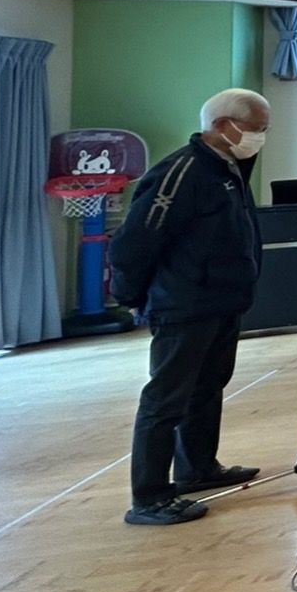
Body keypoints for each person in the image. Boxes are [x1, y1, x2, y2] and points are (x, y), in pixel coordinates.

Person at [107, 88, 269, 526]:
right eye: (255, 128)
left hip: (221, 300)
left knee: (207, 386)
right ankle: (150, 497)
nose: (260, 137)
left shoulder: (228, 167)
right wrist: (131, 296)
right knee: (166, 399)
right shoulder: (180, 172)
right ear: (222, 126)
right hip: (184, 303)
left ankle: (197, 468)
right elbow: (134, 242)